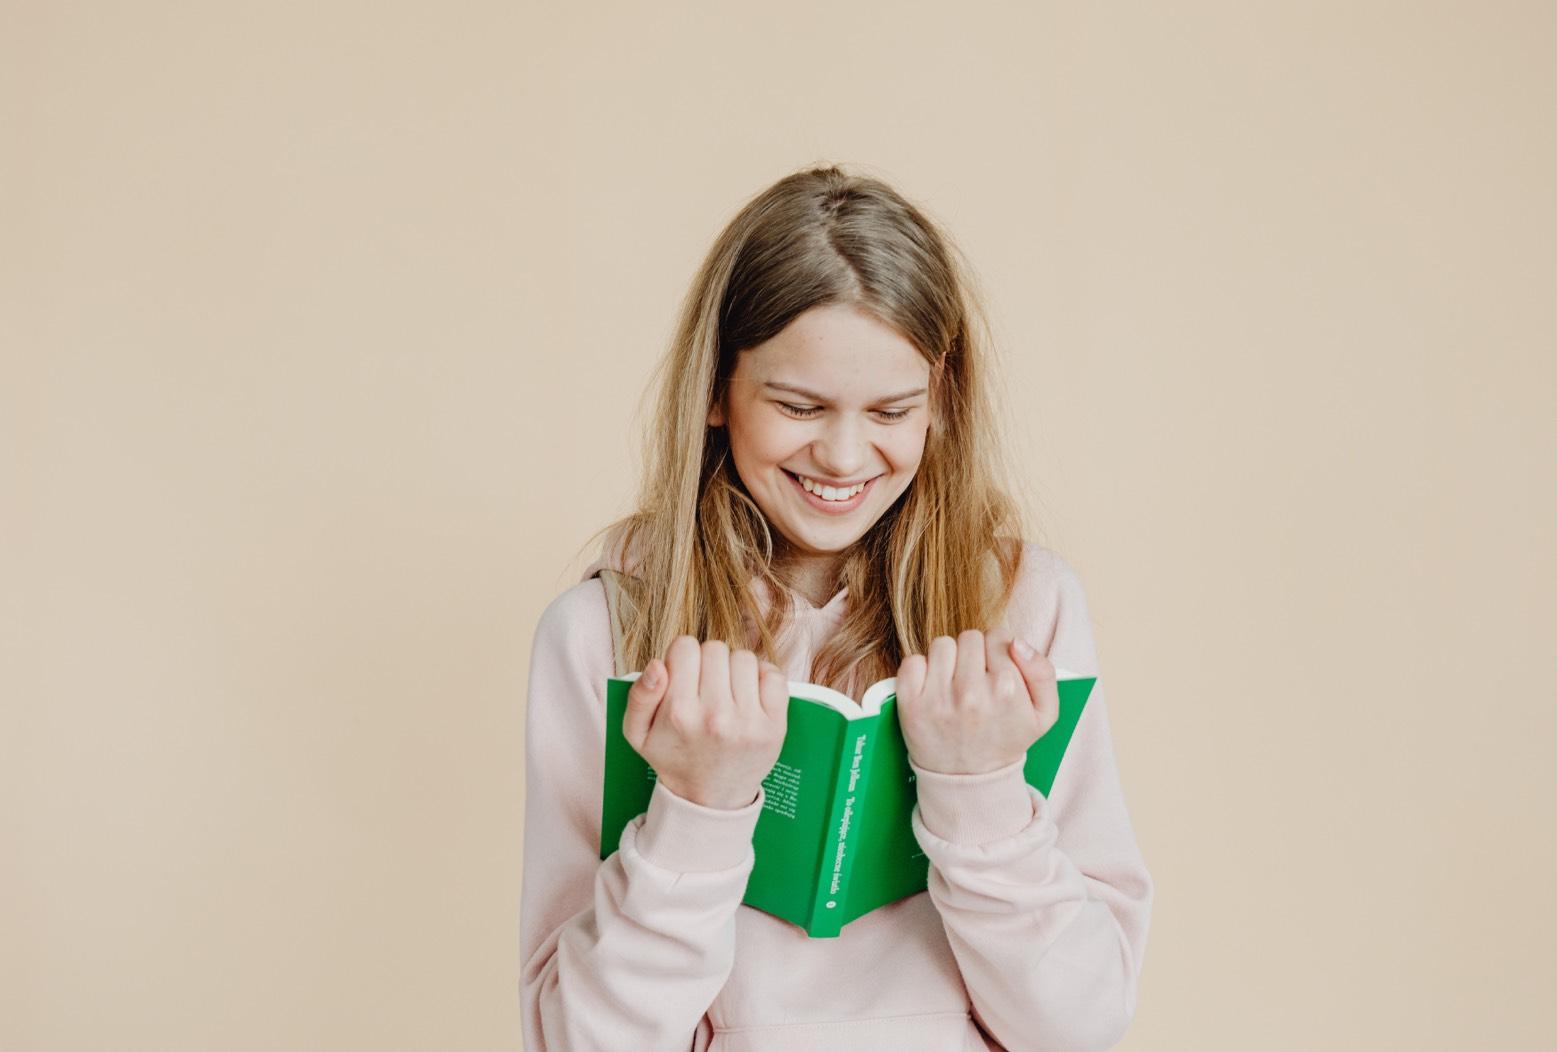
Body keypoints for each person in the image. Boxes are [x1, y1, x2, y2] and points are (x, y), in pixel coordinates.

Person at [519, 164, 1153, 1051]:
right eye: (798, 406)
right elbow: (580, 1041)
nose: (845, 457)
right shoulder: (602, 635)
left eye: (891, 411)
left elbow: (1078, 1026)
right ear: (716, 389)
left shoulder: (1025, 612)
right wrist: (695, 811)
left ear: (941, 400)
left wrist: (977, 792)